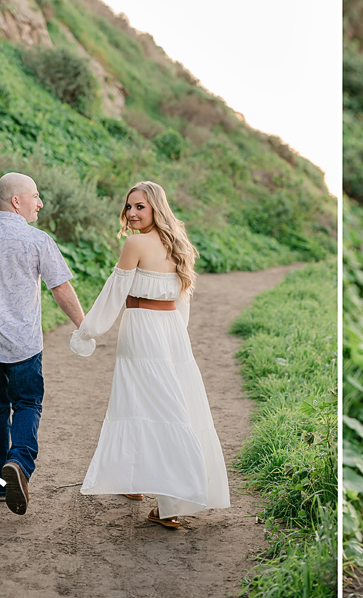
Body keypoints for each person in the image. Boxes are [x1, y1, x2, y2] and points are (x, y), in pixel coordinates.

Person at [69, 181, 230, 528]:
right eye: (128, 207)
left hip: (142, 330)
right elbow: (181, 299)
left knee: (149, 406)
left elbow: (114, 293)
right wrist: (175, 333)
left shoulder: (135, 244)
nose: (132, 213)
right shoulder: (179, 244)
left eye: (140, 206)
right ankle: (139, 482)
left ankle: (171, 504)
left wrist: (88, 331)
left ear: (156, 207)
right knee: (162, 404)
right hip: (170, 330)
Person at [0, 172, 85, 515]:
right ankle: (20, 464)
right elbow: (61, 289)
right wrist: (84, 325)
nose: (39, 203)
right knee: (27, 404)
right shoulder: (37, 240)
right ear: (17, 200)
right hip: (24, 344)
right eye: (35, 196)